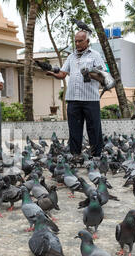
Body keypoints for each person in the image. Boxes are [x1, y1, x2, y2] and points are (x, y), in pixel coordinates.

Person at [46, 30, 106, 159]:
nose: (77, 44)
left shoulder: (95, 55)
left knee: (94, 128)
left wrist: (90, 73)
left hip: (90, 98)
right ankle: (75, 155)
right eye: (76, 41)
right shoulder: (71, 57)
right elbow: (62, 73)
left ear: (87, 41)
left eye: (80, 41)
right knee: (74, 129)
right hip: (73, 99)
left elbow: (103, 76)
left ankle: (96, 156)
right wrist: (52, 74)